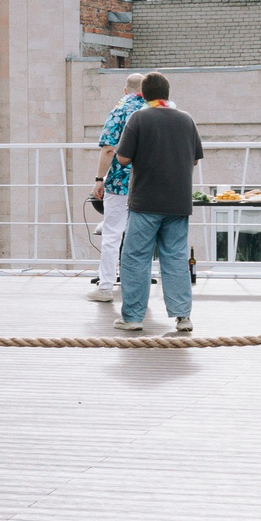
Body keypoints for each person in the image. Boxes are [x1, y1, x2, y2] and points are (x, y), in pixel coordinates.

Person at [111, 72, 204, 333]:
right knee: (175, 257)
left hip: (146, 200)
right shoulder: (187, 119)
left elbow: (123, 159)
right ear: (167, 93)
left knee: (135, 257)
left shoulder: (138, 118)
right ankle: (183, 317)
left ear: (144, 95)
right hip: (178, 201)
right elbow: (195, 159)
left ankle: (132, 317)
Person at [87, 73, 146, 303]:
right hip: (147, 182)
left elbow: (109, 149)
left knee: (112, 234)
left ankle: (106, 288)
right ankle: (138, 289)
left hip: (121, 183)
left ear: (125, 91)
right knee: (142, 237)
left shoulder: (119, 110)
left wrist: (99, 178)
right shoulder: (154, 111)